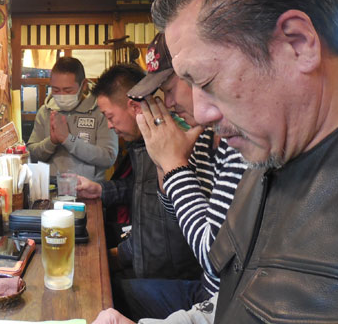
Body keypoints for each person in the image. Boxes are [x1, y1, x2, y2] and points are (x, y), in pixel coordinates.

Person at [150, 0, 338, 322]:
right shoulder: (266, 154)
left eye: (205, 81)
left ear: (297, 43)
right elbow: (233, 301)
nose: (201, 113)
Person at [91, 34, 246, 324]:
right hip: (208, 291)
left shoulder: (240, 142)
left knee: (102, 294)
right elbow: (173, 213)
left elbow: (213, 256)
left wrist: (173, 165)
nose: (169, 103)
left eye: (170, 89)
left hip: (223, 300)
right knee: (101, 296)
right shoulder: (202, 138)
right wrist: (164, 164)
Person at [77, 63, 201, 318]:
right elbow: (140, 190)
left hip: (171, 276)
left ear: (133, 107)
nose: (109, 126)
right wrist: (101, 190)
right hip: (152, 265)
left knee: (92, 293)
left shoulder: (171, 144)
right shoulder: (143, 144)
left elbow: (162, 231)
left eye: (110, 116)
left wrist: (116, 256)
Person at [27, 56, 117, 182]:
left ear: (83, 85)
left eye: (68, 91)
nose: (61, 95)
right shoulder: (45, 111)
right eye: (56, 90)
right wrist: (52, 142)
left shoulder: (100, 112)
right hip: (50, 185)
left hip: (89, 187)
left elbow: (108, 157)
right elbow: (31, 155)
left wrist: (68, 140)